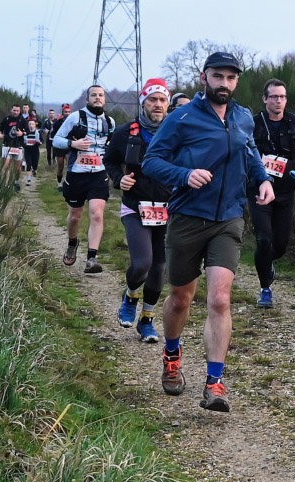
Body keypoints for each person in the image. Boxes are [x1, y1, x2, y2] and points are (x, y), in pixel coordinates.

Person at [143, 51, 274, 411]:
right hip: (187, 216)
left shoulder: (243, 116)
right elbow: (152, 161)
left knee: (219, 299)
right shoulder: (182, 117)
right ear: (204, 77)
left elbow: (249, 152)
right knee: (181, 298)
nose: (224, 84)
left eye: (231, 78)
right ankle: (172, 355)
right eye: (218, 76)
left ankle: (214, 383)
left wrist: (262, 179)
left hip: (228, 218)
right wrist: (184, 174)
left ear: (237, 81)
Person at [104, 78, 173, 346]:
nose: (158, 104)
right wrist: (118, 179)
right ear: (143, 102)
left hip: (167, 208)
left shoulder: (176, 133)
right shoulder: (126, 132)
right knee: (143, 263)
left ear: (168, 104)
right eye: (152, 99)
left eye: (162, 100)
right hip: (135, 206)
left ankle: (147, 319)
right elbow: (110, 160)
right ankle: (131, 294)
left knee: (159, 268)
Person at [249, 78, 295, 308]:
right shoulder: (253, 123)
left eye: (283, 97)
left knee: (280, 245)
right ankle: (265, 288)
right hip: (259, 191)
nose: (279, 101)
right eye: (274, 96)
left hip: (285, 191)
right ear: (265, 99)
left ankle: (267, 263)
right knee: (263, 239)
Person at [53, 86, 115, 274]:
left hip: (99, 174)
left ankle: (91, 258)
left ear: (104, 99)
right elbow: (56, 140)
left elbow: (113, 146)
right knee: (75, 216)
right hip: (77, 174)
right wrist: (73, 143)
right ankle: (72, 242)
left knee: (97, 213)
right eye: (93, 95)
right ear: (87, 99)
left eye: (101, 95)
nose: (97, 98)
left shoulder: (110, 121)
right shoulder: (75, 117)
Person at [0, 104, 26, 176]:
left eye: (17, 111)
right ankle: (6, 182)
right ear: (11, 110)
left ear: (20, 111)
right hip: (7, 145)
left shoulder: (22, 120)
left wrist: (22, 133)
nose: (15, 112)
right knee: (6, 166)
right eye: (14, 110)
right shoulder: (6, 119)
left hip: (17, 146)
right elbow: (0, 129)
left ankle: (16, 180)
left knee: (17, 168)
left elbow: (28, 131)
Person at [52, 104, 72, 190]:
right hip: (59, 146)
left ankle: (68, 182)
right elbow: (53, 134)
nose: (67, 113)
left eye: (69, 112)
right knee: (60, 166)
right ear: (62, 112)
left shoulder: (73, 122)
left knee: (69, 165)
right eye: (65, 112)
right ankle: (59, 183)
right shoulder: (57, 123)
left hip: (69, 145)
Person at [23, 119, 42, 186]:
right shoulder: (25, 133)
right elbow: (22, 141)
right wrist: (24, 145)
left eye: (32, 124)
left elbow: (41, 141)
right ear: (28, 125)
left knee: (35, 164)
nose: (31, 125)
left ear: (35, 125)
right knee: (28, 164)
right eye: (30, 124)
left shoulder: (38, 132)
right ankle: (28, 180)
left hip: (35, 150)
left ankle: (35, 170)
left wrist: (38, 143)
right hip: (27, 151)